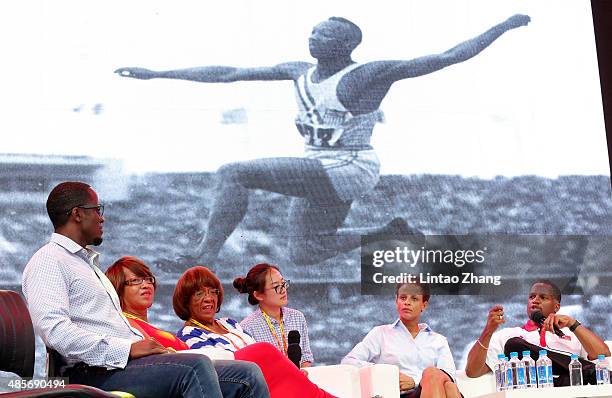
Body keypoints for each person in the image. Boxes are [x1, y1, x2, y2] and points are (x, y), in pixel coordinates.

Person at [114, 14, 530, 266]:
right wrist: (158, 73)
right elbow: (229, 72)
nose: (313, 40)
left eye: (324, 37)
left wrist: (504, 27)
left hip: (349, 166)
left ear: (346, 45)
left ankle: (205, 253)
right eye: (313, 33)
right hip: (321, 167)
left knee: (234, 173)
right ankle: (387, 231)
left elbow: (444, 58)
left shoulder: (367, 74)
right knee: (305, 252)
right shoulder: (298, 70)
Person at [22, 181, 269, 398]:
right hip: (91, 372)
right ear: (77, 214)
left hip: (122, 366)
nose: (102, 217)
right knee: (196, 367)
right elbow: (55, 331)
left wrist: (147, 347)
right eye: (97, 210)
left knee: (247, 373)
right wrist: (128, 348)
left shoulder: (86, 264)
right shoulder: (48, 261)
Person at [174, 266, 335, 398]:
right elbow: (216, 373)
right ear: (186, 300)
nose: (209, 298)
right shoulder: (189, 334)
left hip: (270, 381)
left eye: (212, 291)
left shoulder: (229, 323)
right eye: (200, 293)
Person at [464, 279, 611, 385]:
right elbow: (473, 371)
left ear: (556, 307)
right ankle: (587, 370)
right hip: (529, 392)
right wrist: (487, 332)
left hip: (566, 390)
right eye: (531, 297)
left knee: (567, 378)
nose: (535, 301)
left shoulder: (573, 335)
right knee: (514, 344)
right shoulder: (507, 334)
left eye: (543, 297)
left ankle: (585, 370)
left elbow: (603, 356)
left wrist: (573, 323)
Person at [342, 282, 461, 398]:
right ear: (396, 301)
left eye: (414, 299)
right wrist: (388, 374)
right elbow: (349, 361)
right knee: (440, 380)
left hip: (435, 391)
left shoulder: (438, 340)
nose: (407, 303)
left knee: (444, 382)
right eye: (403, 298)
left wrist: (415, 382)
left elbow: (450, 376)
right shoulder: (380, 333)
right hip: (400, 394)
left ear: (424, 305)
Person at [235, 263, 313, 367]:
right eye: (276, 286)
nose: (283, 290)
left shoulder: (297, 317)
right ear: (258, 295)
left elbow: (306, 357)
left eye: (283, 283)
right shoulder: (247, 327)